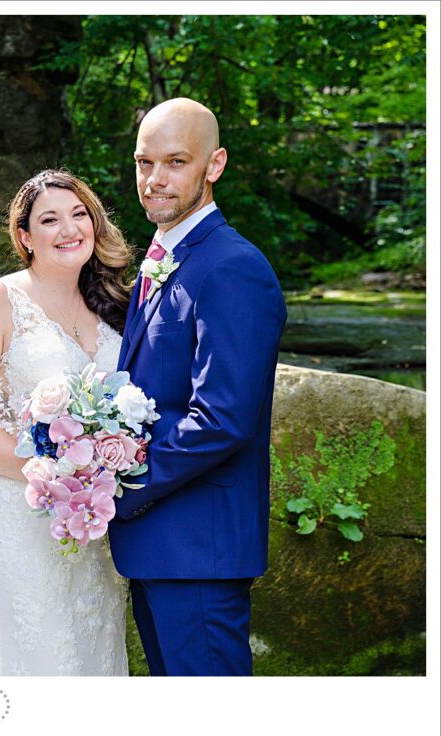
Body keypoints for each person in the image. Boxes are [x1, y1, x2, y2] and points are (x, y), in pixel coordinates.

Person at [108, 98, 287, 676]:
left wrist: (117, 482)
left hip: (198, 551)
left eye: (176, 162)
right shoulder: (164, 257)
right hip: (161, 548)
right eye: (144, 162)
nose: (155, 180)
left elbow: (222, 418)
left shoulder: (232, 267)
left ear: (214, 165)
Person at [0, 169, 135, 675]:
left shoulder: (116, 302)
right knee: (38, 652)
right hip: (24, 509)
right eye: (49, 219)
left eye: (78, 215)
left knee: (93, 647)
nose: (69, 229)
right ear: (25, 237)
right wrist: (40, 472)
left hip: (96, 518)